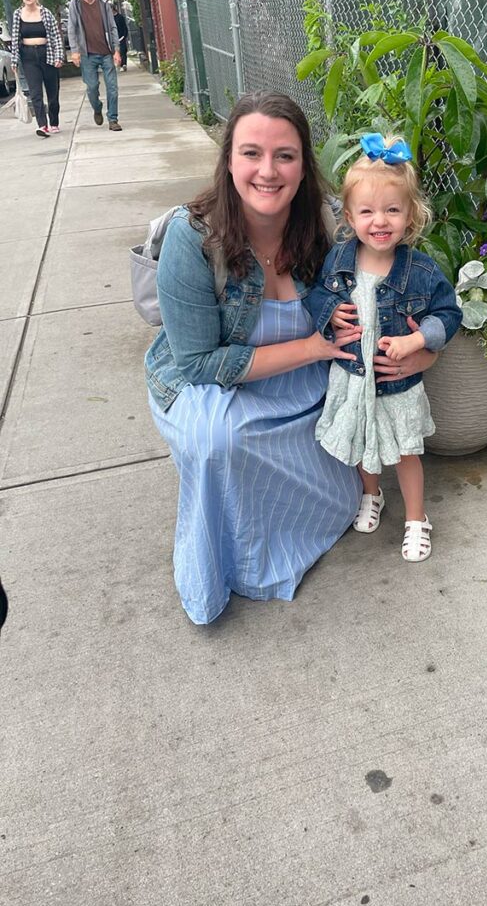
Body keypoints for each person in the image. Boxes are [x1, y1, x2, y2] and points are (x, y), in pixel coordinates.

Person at [145, 93, 437, 625]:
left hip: (309, 383)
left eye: (285, 155)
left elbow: (402, 299)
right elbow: (199, 364)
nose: (267, 171)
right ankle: (226, 561)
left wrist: (420, 356)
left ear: (304, 166)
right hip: (221, 383)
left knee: (342, 468)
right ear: (228, 159)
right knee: (218, 443)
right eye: (251, 153)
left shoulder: (330, 226)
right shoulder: (193, 239)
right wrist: (316, 347)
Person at [308, 134, 462, 563]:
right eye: (368, 211)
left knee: (407, 451)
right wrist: (329, 312)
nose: (380, 220)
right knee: (364, 444)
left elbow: (449, 314)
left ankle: (417, 518)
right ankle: (371, 495)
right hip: (353, 378)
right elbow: (315, 294)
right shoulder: (339, 260)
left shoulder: (421, 270)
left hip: (398, 383)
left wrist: (418, 340)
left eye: (392, 210)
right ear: (350, 216)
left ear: (410, 214)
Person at [67, 0, 122, 131]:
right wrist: (75, 51)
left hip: (106, 52)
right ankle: (97, 108)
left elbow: (112, 27)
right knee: (91, 87)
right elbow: (72, 28)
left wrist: (116, 50)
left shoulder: (103, 4)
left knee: (112, 87)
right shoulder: (75, 4)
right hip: (87, 54)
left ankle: (113, 119)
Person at [10, 0, 64, 137]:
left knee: (52, 92)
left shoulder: (45, 13)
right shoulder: (18, 15)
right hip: (28, 56)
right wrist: (14, 61)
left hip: (47, 54)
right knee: (35, 93)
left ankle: (54, 122)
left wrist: (59, 57)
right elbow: (15, 39)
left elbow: (55, 36)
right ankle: (42, 125)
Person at [112, 2, 129, 71]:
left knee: (123, 51)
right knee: (116, 51)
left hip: (121, 36)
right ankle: (118, 64)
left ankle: (123, 64)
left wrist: (124, 36)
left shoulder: (120, 17)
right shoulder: (109, 18)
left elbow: (124, 27)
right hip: (114, 38)